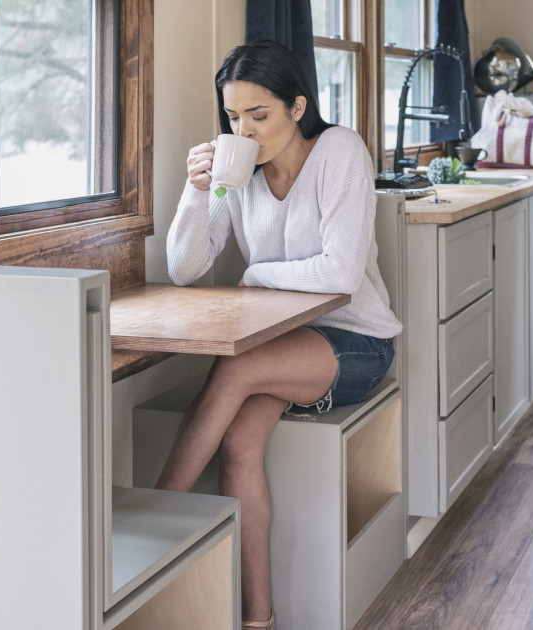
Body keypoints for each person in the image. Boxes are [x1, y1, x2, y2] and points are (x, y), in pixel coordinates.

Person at [158, 40, 402, 630]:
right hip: (279, 346)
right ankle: (259, 620)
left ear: (298, 106)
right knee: (240, 444)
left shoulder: (339, 150)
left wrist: (256, 276)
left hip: (355, 342)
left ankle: (156, 520)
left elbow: (340, 275)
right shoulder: (235, 172)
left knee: (235, 367)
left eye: (258, 116)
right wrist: (198, 191)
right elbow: (184, 269)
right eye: (233, 117)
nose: (244, 130)